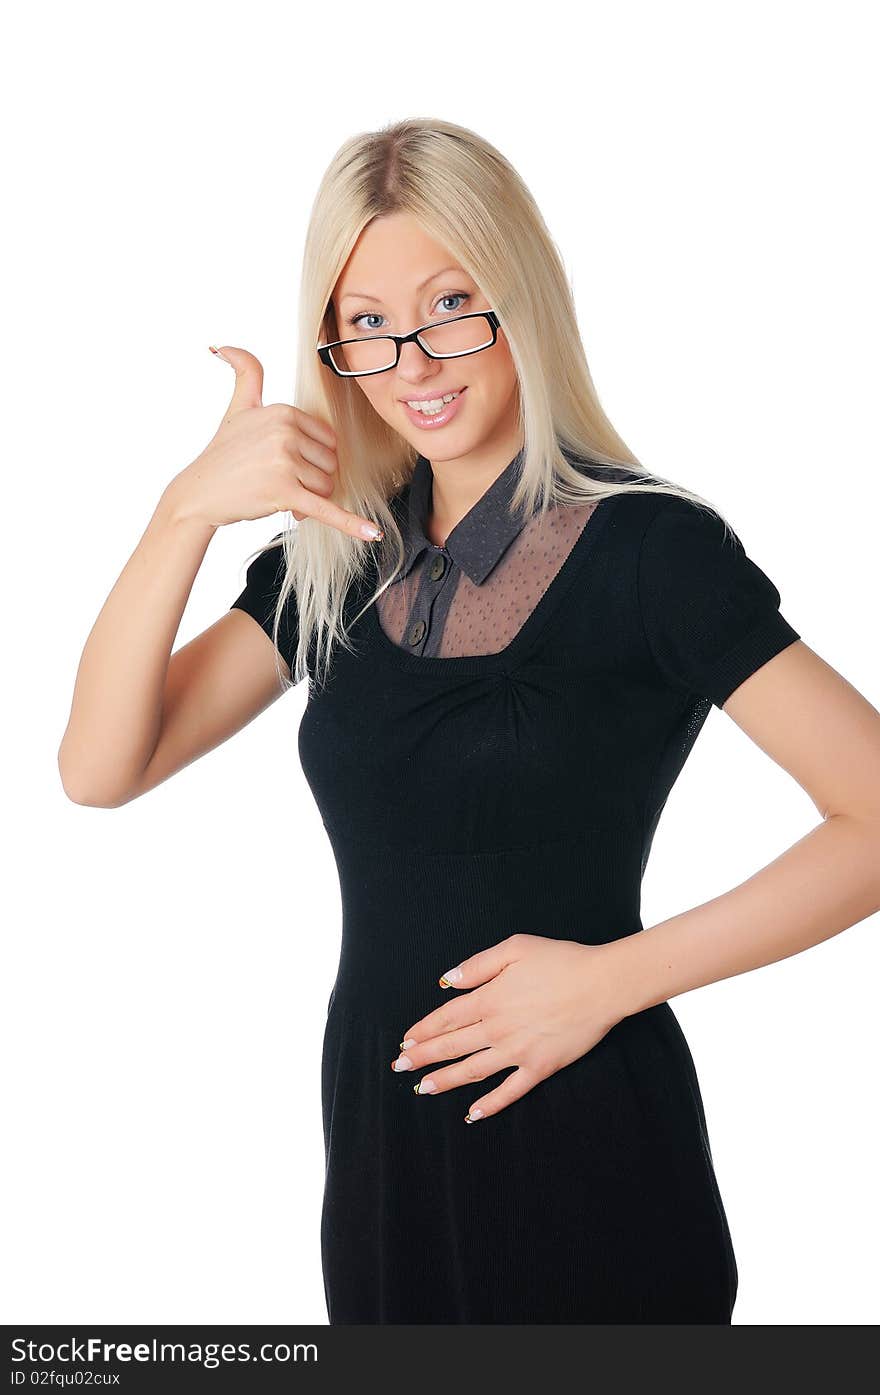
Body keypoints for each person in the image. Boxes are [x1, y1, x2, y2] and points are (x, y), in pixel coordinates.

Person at [58, 117, 880, 1325]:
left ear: (522, 300)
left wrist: (611, 983)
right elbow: (99, 767)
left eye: (451, 304)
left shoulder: (652, 551)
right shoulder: (339, 562)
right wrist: (181, 513)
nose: (414, 361)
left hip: (588, 1145)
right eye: (368, 325)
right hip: (383, 1144)